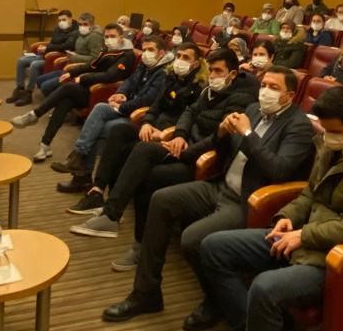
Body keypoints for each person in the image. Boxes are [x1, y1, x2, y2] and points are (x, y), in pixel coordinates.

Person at [199, 86, 343, 331]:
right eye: (324, 129)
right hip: (302, 236)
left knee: (264, 287)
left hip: (334, 258)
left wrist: (305, 235)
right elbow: (311, 192)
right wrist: (287, 217)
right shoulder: (332, 144)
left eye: (334, 131)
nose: (328, 137)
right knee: (213, 247)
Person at [100, 67, 315, 326]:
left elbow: (278, 169)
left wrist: (248, 134)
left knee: (192, 239)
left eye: (274, 87)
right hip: (220, 185)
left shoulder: (298, 125)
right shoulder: (253, 110)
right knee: (161, 200)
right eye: (264, 85)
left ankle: (215, 301)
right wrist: (222, 133)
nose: (265, 91)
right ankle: (146, 293)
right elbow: (225, 149)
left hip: (248, 200)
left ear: (289, 95)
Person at [69, 49, 258, 238]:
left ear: (232, 74)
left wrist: (183, 147)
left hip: (199, 157)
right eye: (211, 70)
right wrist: (179, 134)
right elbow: (189, 112)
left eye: (218, 71)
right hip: (181, 143)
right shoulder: (208, 90)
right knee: (121, 131)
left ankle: (112, 215)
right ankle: (101, 198)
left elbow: (222, 137)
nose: (213, 76)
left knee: (144, 153)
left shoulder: (239, 99)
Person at [63, 43, 209, 213]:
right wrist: (147, 122)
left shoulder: (199, 88)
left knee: (122, 138)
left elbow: (188, 120)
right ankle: (97, 191)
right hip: (154, 127)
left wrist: (165, 133)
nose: (180, 60)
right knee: (118, 131)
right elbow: (155, 106)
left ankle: (111, 206)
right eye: (179, 56)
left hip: (170, 136)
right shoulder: (171, 77)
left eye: (186, 58)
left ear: (196, 63)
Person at [48, 35, 175, 188]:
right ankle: (79, 157)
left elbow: (148, 100)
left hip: (140, 115)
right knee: (99, 108)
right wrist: (121, 93)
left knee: (97, 128)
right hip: (128, 105)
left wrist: (121, 107)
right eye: (144, 49)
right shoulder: (146, 63)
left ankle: (81, 174)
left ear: (161, 53)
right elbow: (130, 81)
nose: (146, 53)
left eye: (150, 50)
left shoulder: (165, 72)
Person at [11, 23, 136, 161]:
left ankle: (35, 114)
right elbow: (91, 65)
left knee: (68, 88)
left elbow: (110, 76)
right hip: (90, 88)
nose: (109, 39)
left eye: (112, 36)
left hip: (104, 93)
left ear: (121, 37)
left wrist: (83, 78)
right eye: (106, 36)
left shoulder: (127, 55)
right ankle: (44, 145)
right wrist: (71, 72)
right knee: (64, 102)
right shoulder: (108, 50)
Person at [18, 12, 104, 106]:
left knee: (45, 85)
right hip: (69, 64)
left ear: (91, 24)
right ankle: (20, 89)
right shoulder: (78, 33)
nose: (82, 26)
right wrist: (47, 48)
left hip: (78, 68)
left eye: (85, 24)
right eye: (80, 24)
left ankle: (54, 102)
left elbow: (94, 58)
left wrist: (74, 57)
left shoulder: (94, 36)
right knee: (38, 79)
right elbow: (60, 45)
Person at [7, 8, 78, 105]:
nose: (61, 22)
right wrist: (44, 47)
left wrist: (48, 48)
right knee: (21, 60)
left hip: (55, 58)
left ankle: (29, 93)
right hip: (46, 54)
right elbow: (53, 42)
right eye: (60, 20)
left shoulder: (75, 32)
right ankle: (20, 89)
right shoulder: (57, 28)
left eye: (64, 19)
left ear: (71, 19)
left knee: (34, 64)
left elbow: (66, 46)